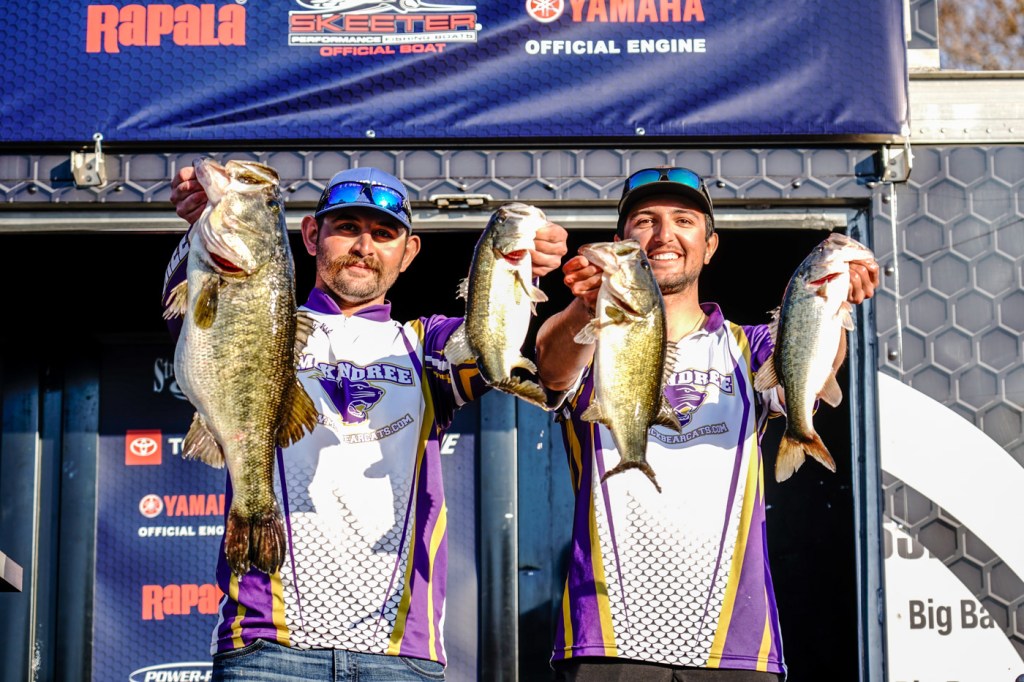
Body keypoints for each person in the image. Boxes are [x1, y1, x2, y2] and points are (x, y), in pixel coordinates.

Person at [166, 164, 568, 681]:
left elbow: (487, 346)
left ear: (409, 252)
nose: (363, 246)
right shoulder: (264, 320)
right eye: (347, 227)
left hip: (399, 653)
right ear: (310, 235)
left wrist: (522, 268)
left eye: (383, 234)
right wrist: (198, 227)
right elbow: (192, 315)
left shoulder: (426, 344)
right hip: (266, 647)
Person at [534, 166, 878, 682]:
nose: (663, 235)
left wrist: (834, 303)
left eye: (684, 220)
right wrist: (586, 307)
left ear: (710, 245)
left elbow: (810, 373)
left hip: (734, 643)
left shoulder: (748, 345)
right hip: (607, 637)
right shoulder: (595, 339)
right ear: (621, 242)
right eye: (644, 221)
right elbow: (550, 368)